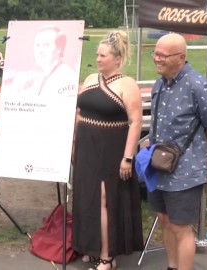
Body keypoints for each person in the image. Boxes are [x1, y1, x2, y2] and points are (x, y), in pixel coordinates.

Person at [146, 33, 207, 270]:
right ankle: (172, 266)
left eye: (162, 55)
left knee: (181, 227)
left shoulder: (199, 85)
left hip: (185, 171)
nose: (156, 59)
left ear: (181, 57)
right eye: (155, 53)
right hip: (159, 166)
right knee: (165, 220)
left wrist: (199, 152)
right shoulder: (160, 83)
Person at [72, 31, 144, 270]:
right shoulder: (91, 78)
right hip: (86, 148)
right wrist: (74, 143)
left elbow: (135, 122)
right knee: (86, 198)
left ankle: (107, 254)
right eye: (97, 55)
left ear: (117, 58)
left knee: (105, 199)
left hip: (110, 150)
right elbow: (79, 112)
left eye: (103, 55)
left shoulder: (128, 84)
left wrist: (128, 157)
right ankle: (90, 247)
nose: (98, 58)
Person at [3, 24, 76, 97]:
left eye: (46, 45)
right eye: (37, 45)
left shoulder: (66, 77)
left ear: (59, 48)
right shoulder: (46, 75)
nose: (40, 50)